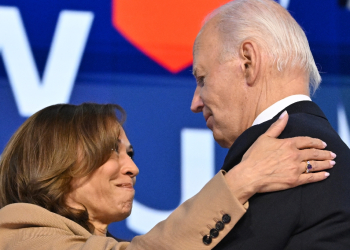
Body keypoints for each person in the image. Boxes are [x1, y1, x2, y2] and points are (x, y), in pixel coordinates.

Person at [0, 103, 334, 250]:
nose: (132, 167)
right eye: (109, 152)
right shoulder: (18, 235)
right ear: (53, 163)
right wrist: (241, 180)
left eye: (129, 154)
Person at [190, 0, 350, 249]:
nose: (196, 102)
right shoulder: (336, 151)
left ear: (248, 61)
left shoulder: (273, 158)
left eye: (202, 78)